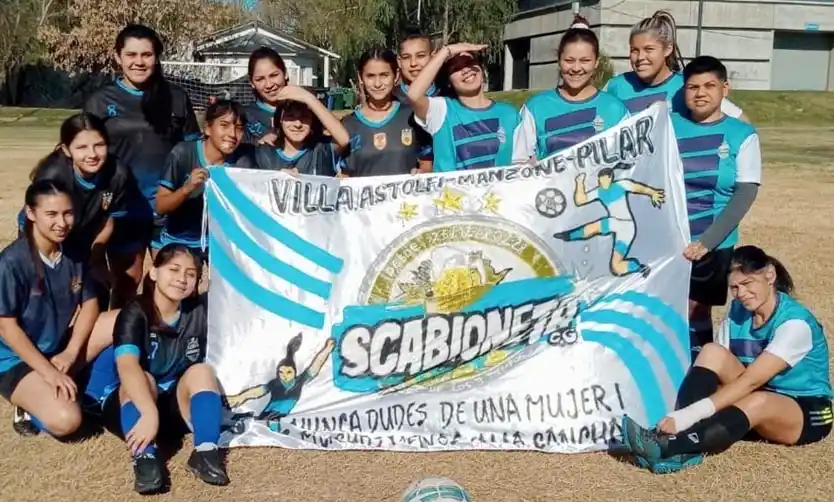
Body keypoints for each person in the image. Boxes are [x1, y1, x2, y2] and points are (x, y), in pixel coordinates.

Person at [621, 246, 832, 474]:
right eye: (734, 287)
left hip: (806, 410)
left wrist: (686, 415)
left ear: (769, 276)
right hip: (759, 393)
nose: (741, 293)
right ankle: (684, 440)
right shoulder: (738, 310)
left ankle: (672, 445)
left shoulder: (794, 324)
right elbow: (719, 363)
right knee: (712, 351)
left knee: (759, 400)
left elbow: (750, 381)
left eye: (748, 283)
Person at [84, 24, 200, 308]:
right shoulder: (100, 101)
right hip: (125, 208)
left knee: (180, 283)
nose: (139, 62)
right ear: (118, 56)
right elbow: (84, 152)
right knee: (126, 283)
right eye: (131, 54)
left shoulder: (176, 98)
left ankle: (178, 344)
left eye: (146, 55)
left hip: (171, 206)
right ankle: (123, 344)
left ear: (156, 57)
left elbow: (194, 149)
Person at [102, 244, 226, 494]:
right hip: (133, 407)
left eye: (191, 274)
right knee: (142, 377)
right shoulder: (135, 312)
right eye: (174, 269)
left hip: (173, 407)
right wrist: (149, 413)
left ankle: (205, 452)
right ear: (154, 272)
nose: (182, 279)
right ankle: (144, 459)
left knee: (201, 371)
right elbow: (126, 366)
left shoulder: (199, 312)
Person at [672, 56, 761, 359]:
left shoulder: (741, 134)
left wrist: (707, 242)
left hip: (712, 242)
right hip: (668, 238)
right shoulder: (666, 125)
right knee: (663, 308)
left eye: (710, 85)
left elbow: (745, 193)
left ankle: (698, 372)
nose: (700, 93)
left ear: (725, 88)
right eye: (692, 86)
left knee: (696, 309)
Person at [0, 180, 103, 438]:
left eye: (68, 213)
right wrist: (48, 374)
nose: (62, 222)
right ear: (31, 214)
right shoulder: (11, 262)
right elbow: (6, 327)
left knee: (119, 321)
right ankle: (27, 403)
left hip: (56, 348)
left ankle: (96, 391)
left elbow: (90, 303)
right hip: (14, 358)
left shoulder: (74, 251)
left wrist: (70, 352)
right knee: (67, 421)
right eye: (51, 214)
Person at [22, 113, 129, 303]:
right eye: (81, 147)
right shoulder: (53, 175)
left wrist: (94, 261)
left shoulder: (117, 173)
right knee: (44, 296)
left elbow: (107, 222)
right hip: (46, 235)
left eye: (99, 145)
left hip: (85, 237)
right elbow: (40, 227)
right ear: (66, 150)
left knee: (97, 292)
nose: (92, 154)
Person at [513, 16, 629, 163]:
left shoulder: (615, 109)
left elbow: (629, 163)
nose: (576, 68)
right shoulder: (535, 107)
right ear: (559, 60)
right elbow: (518, 162)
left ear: (596, 62)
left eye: (585, 61)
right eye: (569, 60)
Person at [604, 10, 747, 121]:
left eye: (649, 49)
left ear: (668, 49)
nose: (640, 57)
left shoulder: (688, 84)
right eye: (634, 50)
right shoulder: (615, 86)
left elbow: (741, 123)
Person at [156, 100, 254, 259]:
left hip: (222, 244)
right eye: (224, 125)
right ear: (208, 128)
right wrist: (186, 189)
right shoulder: (183, 153)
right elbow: (161, 207)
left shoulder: (243, 162)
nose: (232, 134)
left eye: (239, 128)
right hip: (180, 242)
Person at [408, 42, 519, 172]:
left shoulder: (509, 113)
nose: (465, 70)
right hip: (452, 192)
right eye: (456, 68)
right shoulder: (441, 110)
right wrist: (446, 51)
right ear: (449, 81)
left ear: (481, 68)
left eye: (469, 62)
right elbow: (413, 95)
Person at [340, 46, 433, 176]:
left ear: (396, 76)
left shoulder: (412, 116)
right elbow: (345, 176)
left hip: (406, 196)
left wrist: (421, 173)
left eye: (384, 75)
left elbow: (427, 165)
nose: (377, 83)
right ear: (360, 78)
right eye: (370, 76)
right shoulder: (348, 124)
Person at [226, 334, 335, 433]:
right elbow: (258, 391)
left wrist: (327, 349)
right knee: (262, 430)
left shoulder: (300, 381)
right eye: (281, 372)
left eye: (289, 372)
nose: (284, 376)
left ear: (294, 372)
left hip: (280, 418)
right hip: (270, 416)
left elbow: (315, 366)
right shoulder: (275, 384)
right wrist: (241, 396)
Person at [255, 84, 350, 175]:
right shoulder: (264, 153)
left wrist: (309, 98)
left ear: (312, 120)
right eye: (290, 116)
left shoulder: (323, 149)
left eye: (304, 117)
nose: (298, 124)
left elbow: (344, 139)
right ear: (280, 119)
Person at [242, 47, 289, 146]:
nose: (269, 85)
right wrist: (259, 145)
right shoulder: (245, 116)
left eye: (274, 75)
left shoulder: (305, 110)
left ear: (285, 74)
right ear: (252, 83)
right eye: (260, 79)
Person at [394, 28, 441, 103]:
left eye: (420, 56)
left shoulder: (447, 97)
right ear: (399, 61)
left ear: (433, 57)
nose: (413, 63)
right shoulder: (391, 100)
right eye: (406, 57)